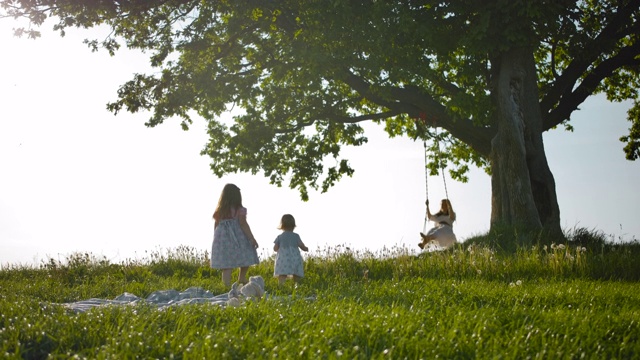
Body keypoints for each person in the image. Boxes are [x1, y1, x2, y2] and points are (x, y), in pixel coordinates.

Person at [210, 183, 260, 287]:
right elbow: (243, 223)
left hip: (222, 238)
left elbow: (216, 224)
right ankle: (241, 277)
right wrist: (251, 238)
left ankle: (226, 283)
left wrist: (216, 237)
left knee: (226, 262)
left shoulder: (220, 210)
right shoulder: (240, 210)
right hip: (238, 237)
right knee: (246, 253)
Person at [273, 214, 309, 285]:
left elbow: (275, 248)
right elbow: (301, 245)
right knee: (296, 273)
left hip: (283, 259)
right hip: (294, 258)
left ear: (282, 225)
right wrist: (305, 248)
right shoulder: (296, 236)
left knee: (282, 274)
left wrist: (280, 249)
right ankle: (296, 286)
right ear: (293, 225)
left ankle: (281, 286)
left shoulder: (280, 237)